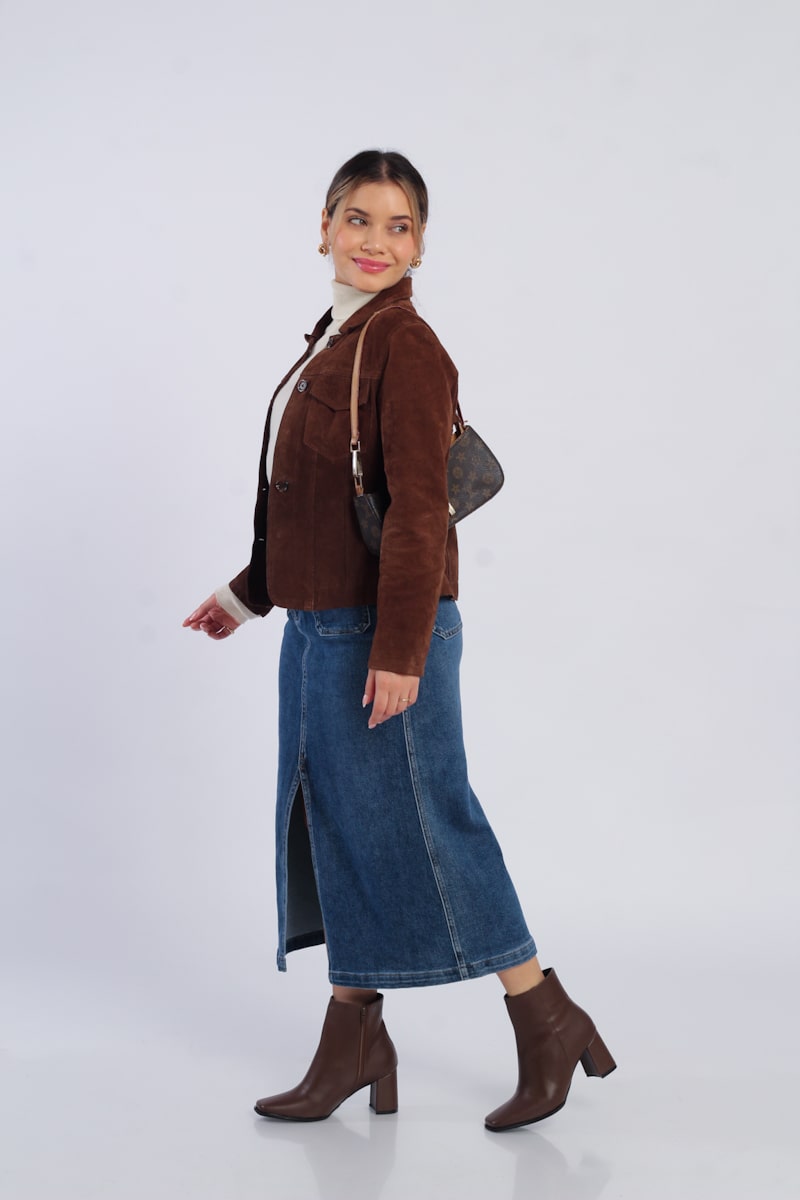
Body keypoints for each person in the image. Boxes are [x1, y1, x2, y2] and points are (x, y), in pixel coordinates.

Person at [184, 149, 615, 1130]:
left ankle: (547, 1017)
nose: (375, 241)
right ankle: (354, 1042)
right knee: (342, 829)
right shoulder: (334, 339)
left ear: (421, 244)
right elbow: (317, 505)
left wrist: (400, 650)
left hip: (379, 634)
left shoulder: (405, 346)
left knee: (432, 824)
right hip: (320, 629)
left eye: (399, 225)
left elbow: (420, 514)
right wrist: (246, 596)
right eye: (358, 218)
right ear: (323, 227)